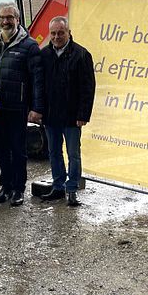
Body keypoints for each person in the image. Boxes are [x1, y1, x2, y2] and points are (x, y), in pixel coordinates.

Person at [0, 2, 43, 206]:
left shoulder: (29, 46)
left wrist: (36, 108)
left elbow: (37, 80)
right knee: (0, 150)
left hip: (17, 108)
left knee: (18, 150)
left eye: (10, 17)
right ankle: (5, 186)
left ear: (18, 19)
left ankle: (18, 189)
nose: (6, 21)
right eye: (2, 17)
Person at [40, 16, 96, 207]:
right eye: (53, 33)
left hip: (72, 117)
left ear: (68, 33)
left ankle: (71, 189)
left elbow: (88, 88)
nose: (56, 37)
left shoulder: (81, 54)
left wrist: (83, 115)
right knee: (54, 152)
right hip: (50, 115)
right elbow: (38, 85)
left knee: (73, 154)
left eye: (60, 33)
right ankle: (58, 187)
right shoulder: (44, 55)